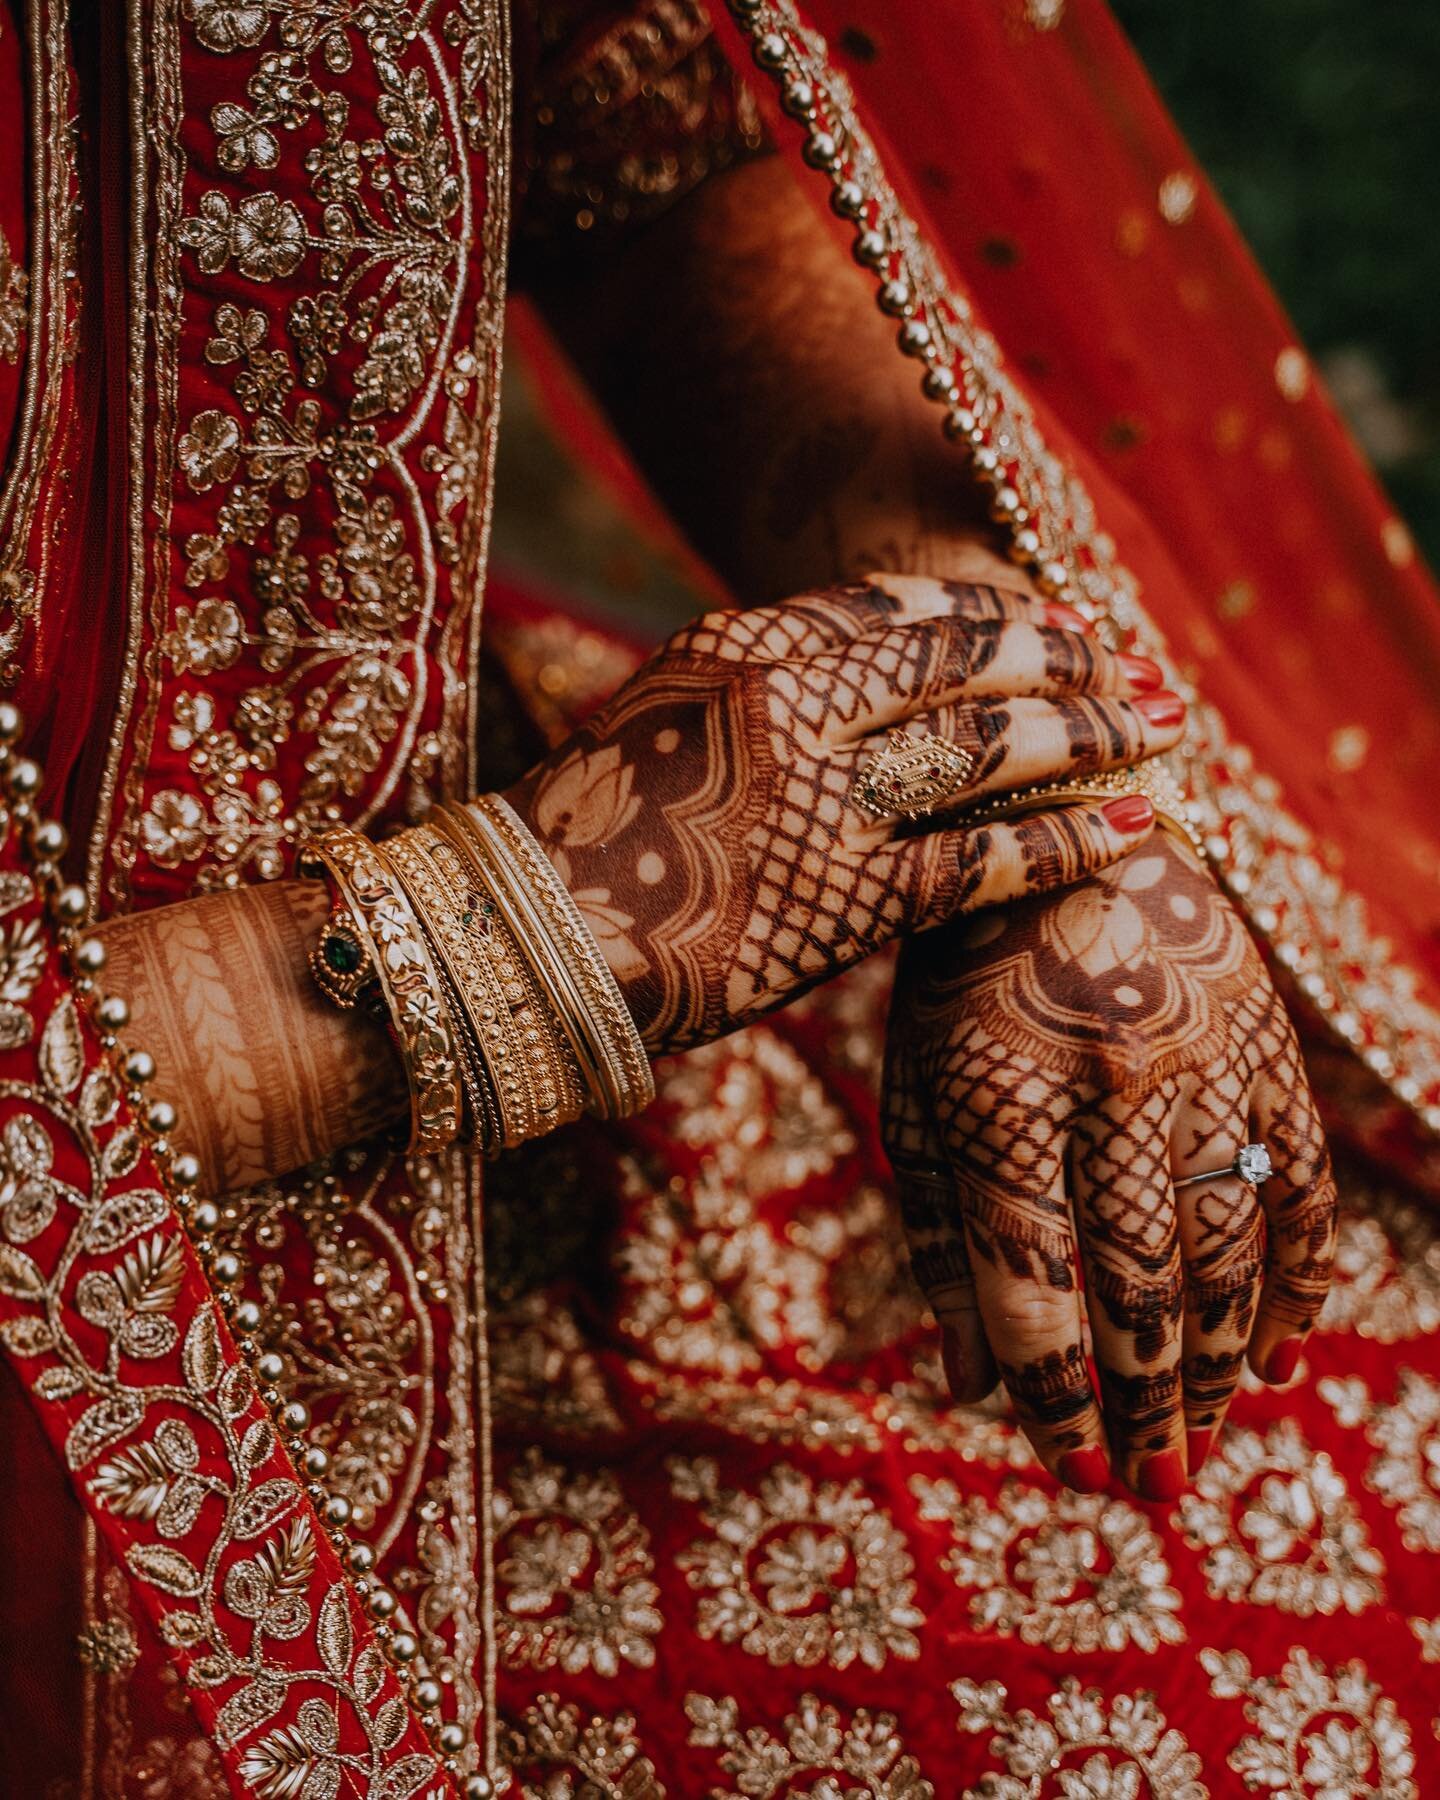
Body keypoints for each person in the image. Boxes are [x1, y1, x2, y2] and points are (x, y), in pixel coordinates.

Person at [0, 0, 1434, 1795]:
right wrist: (537, 921)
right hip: (122, 1398)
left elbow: (627, 162)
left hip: (642, 977)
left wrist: (1021, 766)